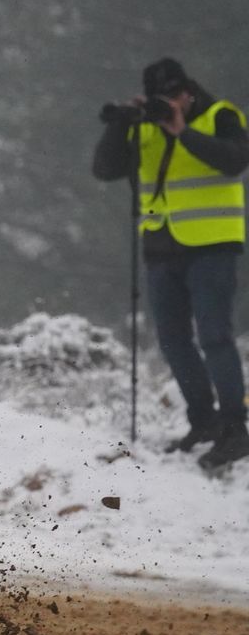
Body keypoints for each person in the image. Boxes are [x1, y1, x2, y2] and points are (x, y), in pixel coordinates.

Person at [93, 57, 249, 469]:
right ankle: (204, 421)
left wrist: (183, 133)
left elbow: (235, 160)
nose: (173, 104)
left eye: (177, 95)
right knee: (173, 340)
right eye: (164, 99)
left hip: (213, 244)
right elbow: (105, 169)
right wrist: (121, 124)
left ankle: (236, 428)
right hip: (162, 247)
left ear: (189, 90)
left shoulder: (221, 116)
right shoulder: (146, 127)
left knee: (215, 336)